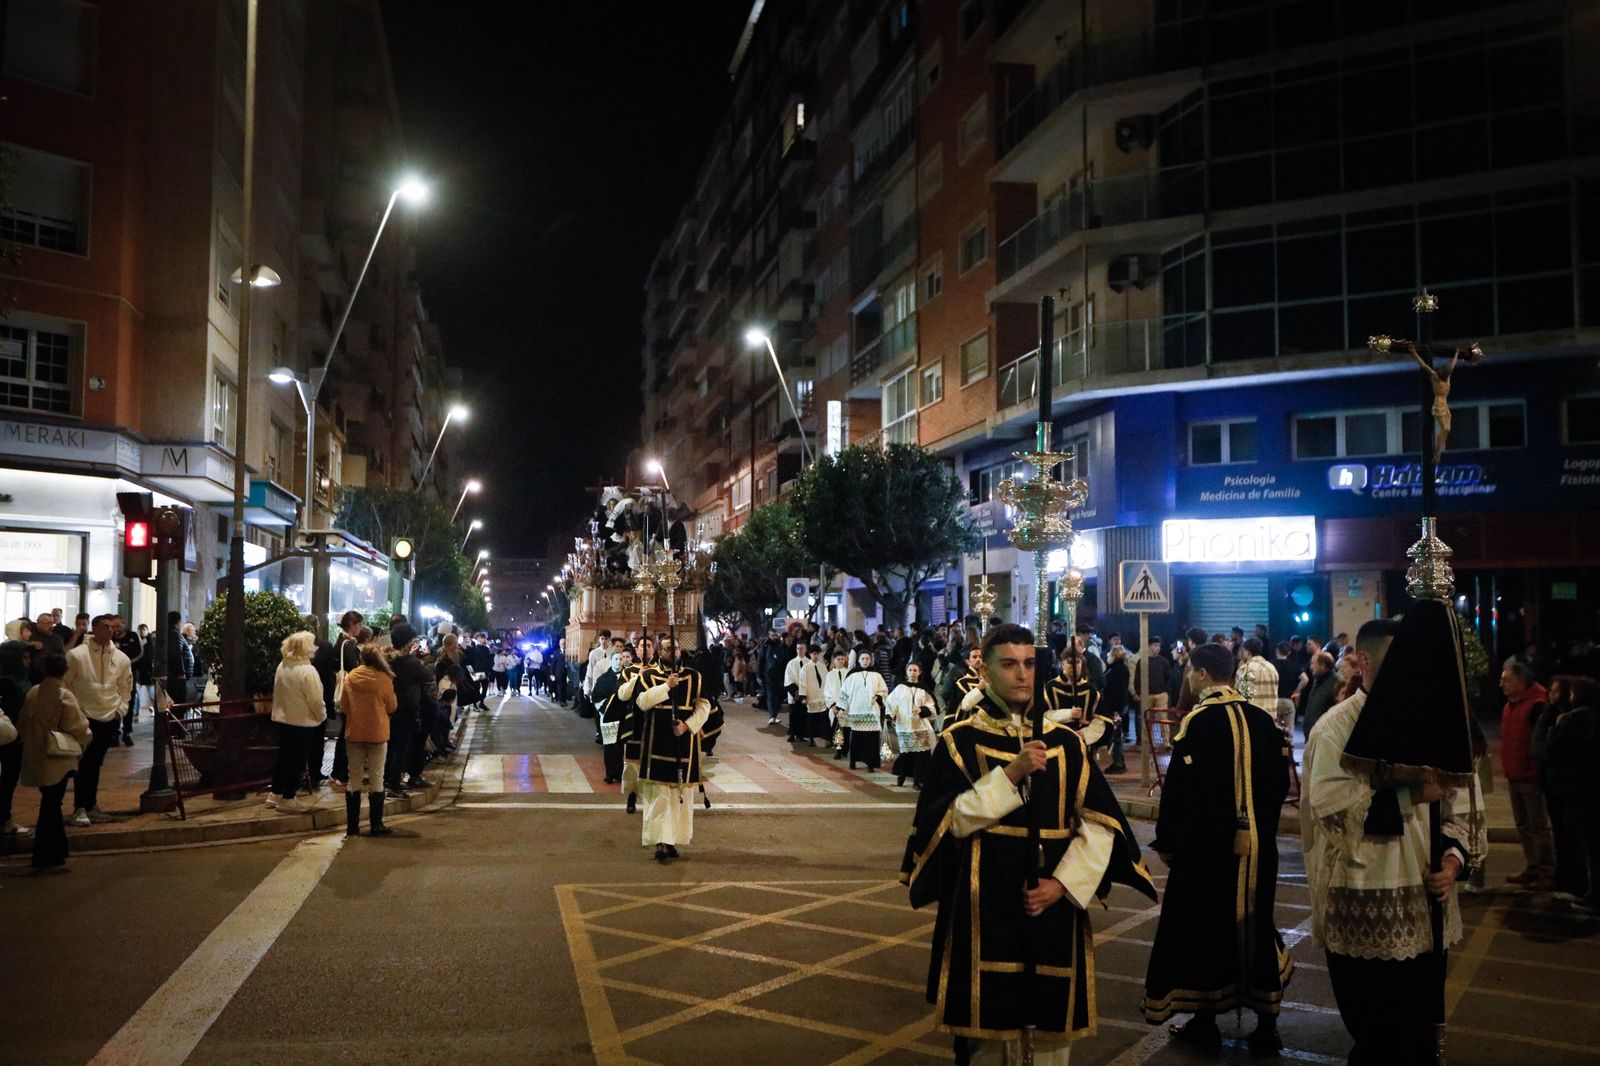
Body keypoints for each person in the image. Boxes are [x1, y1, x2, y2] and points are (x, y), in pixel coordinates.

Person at [901, 623, 1156, 1064]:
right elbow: (949, 823)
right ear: (987, 670)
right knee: (987, 1039)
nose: (1022, 674)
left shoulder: (1067, 745)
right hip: (984, 908)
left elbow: (1100, 826)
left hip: (1052, 906)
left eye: (1029, 664)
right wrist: (1012, 774)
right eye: (1009, 665)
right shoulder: (959, 741)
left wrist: (1063, 885)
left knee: (1052, 1041)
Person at [1301, 618, 1486, 1065]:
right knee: (1377, 1038)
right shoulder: (1335, 729)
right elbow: (1332, 808)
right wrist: (1411, 793)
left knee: (1419, 1037)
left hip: (1426, 904)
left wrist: (1453, 861)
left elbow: (1461, 802)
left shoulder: (1432, 723)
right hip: (1363, 900)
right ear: (1363, 661)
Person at [1141, 642, 1293, 1054]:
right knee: (1255, 924)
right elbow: (1281, 784)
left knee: (1204, 929)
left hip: (1206, 852)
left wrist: (1169, 841)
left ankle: (1205, 1018)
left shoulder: (1197, 724)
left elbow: (1180, 792)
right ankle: (1267, 1025)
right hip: (1258, 850)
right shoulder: (1264, 722)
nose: (1189, 678)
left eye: (1191, 671)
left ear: (1203, 674)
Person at [632, 634, 710, 861]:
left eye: (675, 648)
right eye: (667, 649)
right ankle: (660, 842)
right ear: (659, 652)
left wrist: (688, 725)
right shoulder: (648, 676)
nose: (672, 652)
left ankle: (672, 839)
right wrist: (666, 686)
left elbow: (704, 706)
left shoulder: (694, 677)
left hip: (684, 742)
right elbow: (642, 702)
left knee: (681, 798)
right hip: (657, 741)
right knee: (660, 798)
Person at [17, 652, 91, 872]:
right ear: (66, 670)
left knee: (50, 801)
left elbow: (22, 722)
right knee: (51, 804)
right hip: (58, 757)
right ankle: (45, 855)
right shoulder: (64, 696)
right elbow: (79, 727)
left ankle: (57, 851)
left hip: (36, 754)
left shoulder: (33, 692)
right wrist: (84, 743)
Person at [1536, 676, 1600, 909]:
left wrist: (1556, 726)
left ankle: (1589, 893)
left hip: (1575, 788)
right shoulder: (1593, 717)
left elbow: (1552, 751)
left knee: (1583, 843)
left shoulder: (1575, 720)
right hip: (1588, 788)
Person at [64, 615, 132, 826]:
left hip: (108, 717)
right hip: (84, 716)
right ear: (94, 628)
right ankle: (81, 806)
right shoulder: (77, 655)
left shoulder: (121, 658)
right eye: (105, 627)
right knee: (84, 763)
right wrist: (75, 713)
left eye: (113, 627)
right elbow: (65, 685)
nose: (110, 630)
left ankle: (90, 804)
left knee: (95, 762)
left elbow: (125, 688)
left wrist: (119, 711)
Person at [1499, 661, 1554, 889]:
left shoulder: (1537, 706)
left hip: (1531, 778)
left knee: (1537, 826)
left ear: (1521, 682)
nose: (1501, 683)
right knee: (1523, 825)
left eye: (1506, 679)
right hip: (1515, 775)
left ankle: (1546, 872)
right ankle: (1532, 867)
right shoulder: (1511, 705)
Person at [337, 645, 397, 837]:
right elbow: (392, 706)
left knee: (353, 777)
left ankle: (352, 826)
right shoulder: (384, 678)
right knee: (376, 777)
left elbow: (344, 705)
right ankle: (376, 824)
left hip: (354, 732)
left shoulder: (351, 677)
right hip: (378, 733)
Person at [267, 631, 326, 812]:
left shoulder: (282, 666)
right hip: (302, 722)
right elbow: (315, 700)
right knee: (298, 761)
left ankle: (275, 793)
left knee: (284, 758)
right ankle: (289, 797)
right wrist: (321, 716)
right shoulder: (308, 671)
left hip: (282, 719)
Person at [389, 624, 437, 795]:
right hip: (408, 707)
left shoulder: (390, 660)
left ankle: (392, 779)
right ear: (409, 641)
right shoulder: (412, 663)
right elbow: (427, 677)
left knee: (394, 745)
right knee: (403, 746)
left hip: (393, 706)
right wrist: (423, 659)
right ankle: (395, 782)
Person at [328, 610, 364, 787]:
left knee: (345, 732)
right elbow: (354, 669)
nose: (361, 628)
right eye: (359, 625)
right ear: (352, 625)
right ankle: (340, 772)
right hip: (349, 693)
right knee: (346, 734)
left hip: (345, 693)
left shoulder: (342, 642)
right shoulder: (347, 645)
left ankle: (338, 771)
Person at [0, 638, 32, 838]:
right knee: (7, 780)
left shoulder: (21, 678)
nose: (28, 662)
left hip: (15, 737)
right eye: (25, 658)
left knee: (9, 780)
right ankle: (4, 819)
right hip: (8, 737)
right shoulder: (8, 681)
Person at [885, 662, 936, 788]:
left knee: (921, 755)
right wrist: (889, 715)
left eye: (915, 670)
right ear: (906, 672)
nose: (912, 672)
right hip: (905, 725)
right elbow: (891, 702)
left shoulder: (924, 689)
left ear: (919, 672)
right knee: (906, 753)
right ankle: (901, 775)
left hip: (920, 725)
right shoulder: (900, 688)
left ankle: (917, 780)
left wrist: (922, 709)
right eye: (910, 670)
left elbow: (932, 706)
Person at [837, 647, 889, 770]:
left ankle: (870, 763)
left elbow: (884, 691)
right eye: (863, 658)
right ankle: (853, 761)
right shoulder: (852, 675)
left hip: (871, 711)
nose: (865, 661)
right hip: (856, 710)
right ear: (858, 660)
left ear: (871, 660)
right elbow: (844, 691)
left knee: (871, 739)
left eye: (867, 659)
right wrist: (842, 707)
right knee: (856, 738)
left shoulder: (877, 675)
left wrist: (878, 697)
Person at [592, 647, 632, 784]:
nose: (619, 662)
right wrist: (606, 709)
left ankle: (621, 773)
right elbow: (596, 697)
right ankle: (609, 773)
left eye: (621, 659)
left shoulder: (627, 678)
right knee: (609, 746)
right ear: (611, 661)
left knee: (621, 746)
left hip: (623, 717)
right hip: (608, 717)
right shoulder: (603, 679)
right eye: (616, 659)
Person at [1101, 645, 1131, 774]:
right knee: (1117, 735)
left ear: (1114, 656)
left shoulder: (1115, 671)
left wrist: (1113, 709)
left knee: (1115, 736)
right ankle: (1118, 761)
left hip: (1115, 708)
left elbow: (1114, 691)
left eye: (1109, 655)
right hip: (1120, 705)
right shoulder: (1122, 669)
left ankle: (1118, 763)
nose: (1107, 656)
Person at [115, 616, 145, 744]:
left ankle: (127, 732)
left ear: (124, 624)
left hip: (129, 675)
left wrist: (128, 663)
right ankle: (114, 732)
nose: (116, 629)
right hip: (114, 676)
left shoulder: (132, 636)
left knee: (129, 702)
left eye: (118, 626)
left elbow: (140, 653)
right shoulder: (111, 638)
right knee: (114, 703)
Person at [1300, 651, 1339, 742]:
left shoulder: (1337, 682)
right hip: (1311, 735)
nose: (1310, 667)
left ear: (1323, 666)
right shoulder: (1318, 680)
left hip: (1323, 736)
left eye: (1313, 664)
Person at [795, 643, 828, 747]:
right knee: (812, 718)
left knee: (823, 718)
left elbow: (826, 681)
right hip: (811, 696)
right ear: (810, 654)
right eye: (814, 654)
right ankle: (811, 738)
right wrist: (803, 696)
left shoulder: (823, 667)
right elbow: (803, 683)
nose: (816, 656)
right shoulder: (805, 668)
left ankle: (825, 738)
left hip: (821, 695)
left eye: (818, 654)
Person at [783, 641, 811, 742]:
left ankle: (801, 734)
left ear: (806, 650)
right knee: (793, 714)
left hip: (806, 693)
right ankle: (792, 733)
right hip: (794, 693)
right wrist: (796, 691)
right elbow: (788, 678)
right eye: (798, 648)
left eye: (801, 648)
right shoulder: (791, 663)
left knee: (803, 715)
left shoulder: (809, 663)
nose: (799, 650)